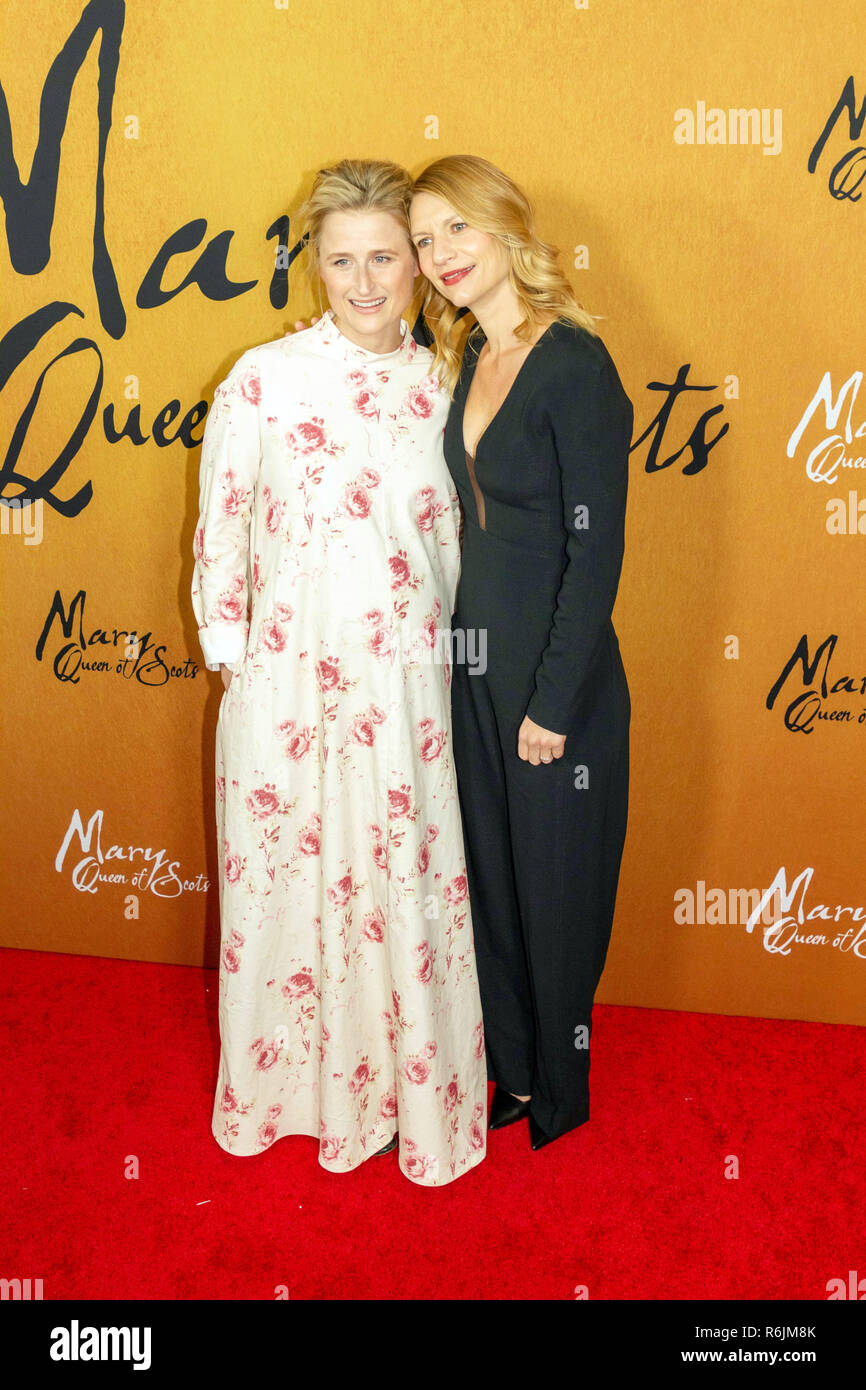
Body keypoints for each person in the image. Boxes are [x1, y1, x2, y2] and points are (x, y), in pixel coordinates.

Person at [191, 158, 487, 1186]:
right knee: (283, 889)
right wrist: (236, 662)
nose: (365, 282)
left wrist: (461, 672)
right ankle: (285, 1095)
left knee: (394, 889)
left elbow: (467, 557)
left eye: (386, 258)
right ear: (311, 266)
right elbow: (219, 533)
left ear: (418, 264)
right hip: (282, 690)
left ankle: (407, 1096)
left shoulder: (448, 387)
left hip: (408, 695)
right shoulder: (262, 381)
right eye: (341, 260)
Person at [408, 154, 633, 1149]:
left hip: (555, 682)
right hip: (474, 668)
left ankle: (560, 1081)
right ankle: (507, 1069)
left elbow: (596, 552)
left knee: (555, 884)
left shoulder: (573, 362)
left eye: (455, 228)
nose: (439, 255)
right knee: (490, 878)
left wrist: (551, 701)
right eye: (423, 240)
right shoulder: (461, 359)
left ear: (504, 225)